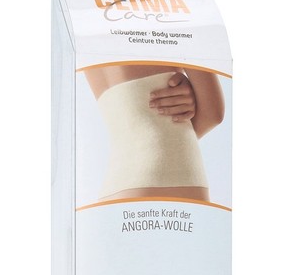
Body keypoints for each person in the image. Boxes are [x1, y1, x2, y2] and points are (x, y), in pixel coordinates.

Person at [86, 64, 225, 201]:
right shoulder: (176, 45)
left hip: (113, 184)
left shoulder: (88, 50)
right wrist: (171, 139)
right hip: (168, 174)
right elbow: (212, 114)